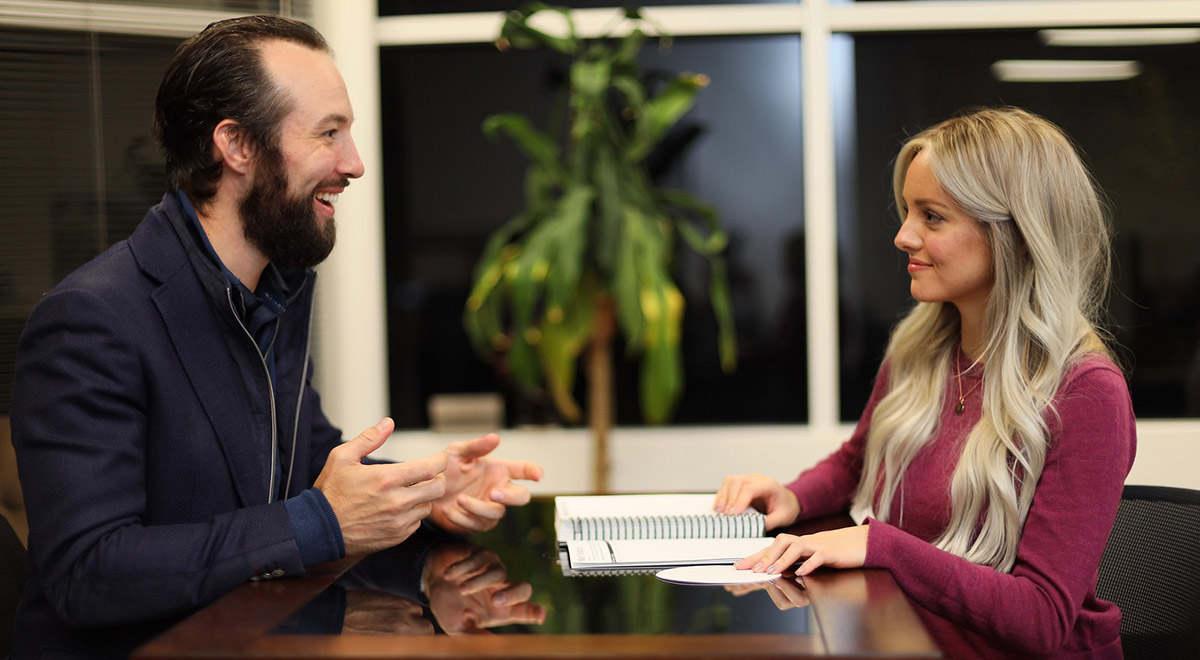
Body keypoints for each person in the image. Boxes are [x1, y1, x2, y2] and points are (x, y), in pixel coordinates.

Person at [9, 15, 541, 657]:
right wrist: (323, 521)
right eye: (328, 133)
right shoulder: (89, 319)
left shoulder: (272, 294)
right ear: (236, 145)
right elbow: (87, 572)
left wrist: (426, 492)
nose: (354, 164)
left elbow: (306, 468)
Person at [715, 107, 1135, 659]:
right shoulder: (921, 349)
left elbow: (1039, 619)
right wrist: (794, 495)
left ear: (1018, 235)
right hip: (909, 641)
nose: (902, 236)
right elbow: (856, 462)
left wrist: (882, 546)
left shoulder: (1087, 393)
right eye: (907, 211)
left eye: (932, 217)